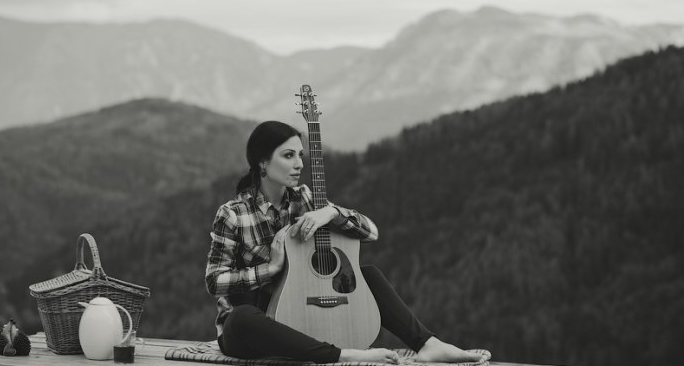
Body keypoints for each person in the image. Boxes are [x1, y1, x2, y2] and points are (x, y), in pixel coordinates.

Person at [205, 121, 484, 364]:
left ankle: (427, 344)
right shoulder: (233, 214)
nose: (299, 164)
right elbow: (214, 281)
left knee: (368, 273)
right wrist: (270, 269)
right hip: (253, 334)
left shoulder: (305, 198)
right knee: (242, 318)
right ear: (262, 162)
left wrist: (332, 212)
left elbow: (371, 233)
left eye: (300, 155)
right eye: (288, 156)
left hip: (303, 317)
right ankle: (342, 355)